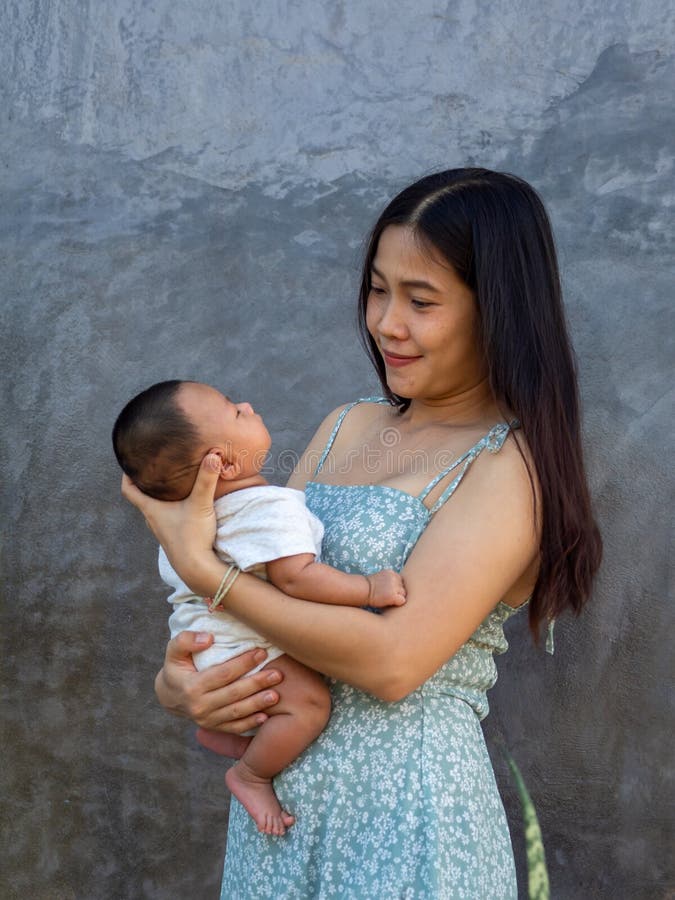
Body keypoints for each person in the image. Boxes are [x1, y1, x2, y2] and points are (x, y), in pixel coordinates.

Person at [122, 168, 602, 899]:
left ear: (495, 310)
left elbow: (392, 663)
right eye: (378, 289)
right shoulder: (347, 425)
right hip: (282, 812)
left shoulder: (512, 466)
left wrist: (200, 568)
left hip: (408, 816)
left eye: (420, 300)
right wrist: (182, 684)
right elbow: (260, 583)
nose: (385, 322)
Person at [113, 380, 406, 836]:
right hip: (234, 651)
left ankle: (239, 738)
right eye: (234, 411)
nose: (248, 405)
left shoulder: (191, 523)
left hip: (205, 648)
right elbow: (297, 577)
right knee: (309, 704)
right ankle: (251, 772)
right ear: (224, 462)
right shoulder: (266, 506)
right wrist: (367, 588)